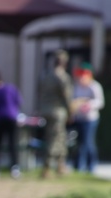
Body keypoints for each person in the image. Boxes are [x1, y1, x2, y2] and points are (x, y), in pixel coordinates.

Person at [36, 49, 72, 178]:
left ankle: (61, 165)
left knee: (59, 137)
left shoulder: (45, 76)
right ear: (64, 63)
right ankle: (47, 168)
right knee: (55, 139)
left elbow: (39, 93)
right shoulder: (62, 77)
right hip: (58, 111)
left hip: (46, 110)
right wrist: (70, 112)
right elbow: (66, 97)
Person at [71, 64, 104, 174]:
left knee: (88, 142)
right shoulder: (77, 87)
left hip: (90, 118)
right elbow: (74, 100)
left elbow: (100, 102)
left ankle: (91, 165)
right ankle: (78, 165)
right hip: (79, 118)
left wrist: (89, 105)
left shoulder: (94, 86)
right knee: (79, 143)